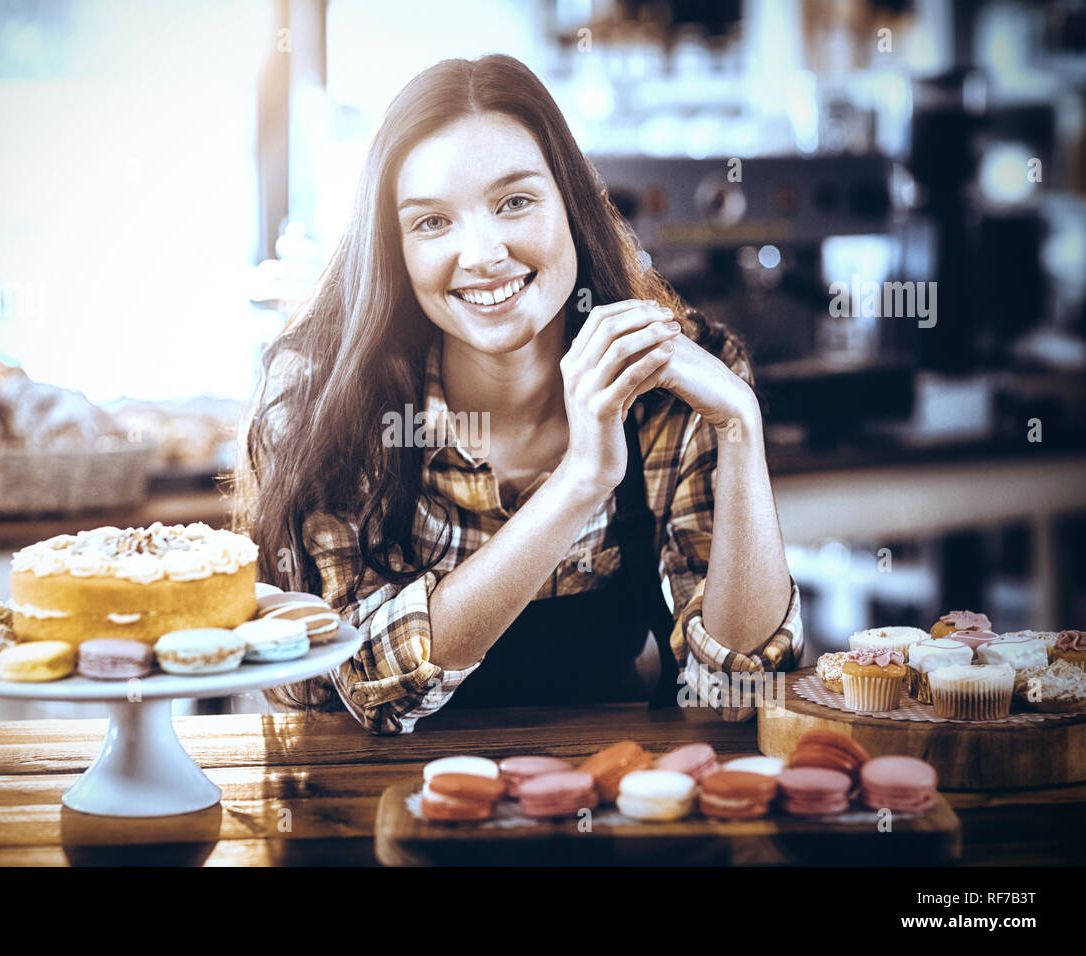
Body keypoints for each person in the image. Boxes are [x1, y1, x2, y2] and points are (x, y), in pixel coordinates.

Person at [241, 54, 802, 734]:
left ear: (573, 204)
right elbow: (370, 689)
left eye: (514, 202)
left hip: (612, 805)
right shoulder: (330, 403)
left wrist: (740, 423)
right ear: (394, 248)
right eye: (431, 222)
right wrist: (582, 482)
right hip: (374, 816)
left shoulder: (673, 391)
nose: (481, 254)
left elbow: (738, 697)